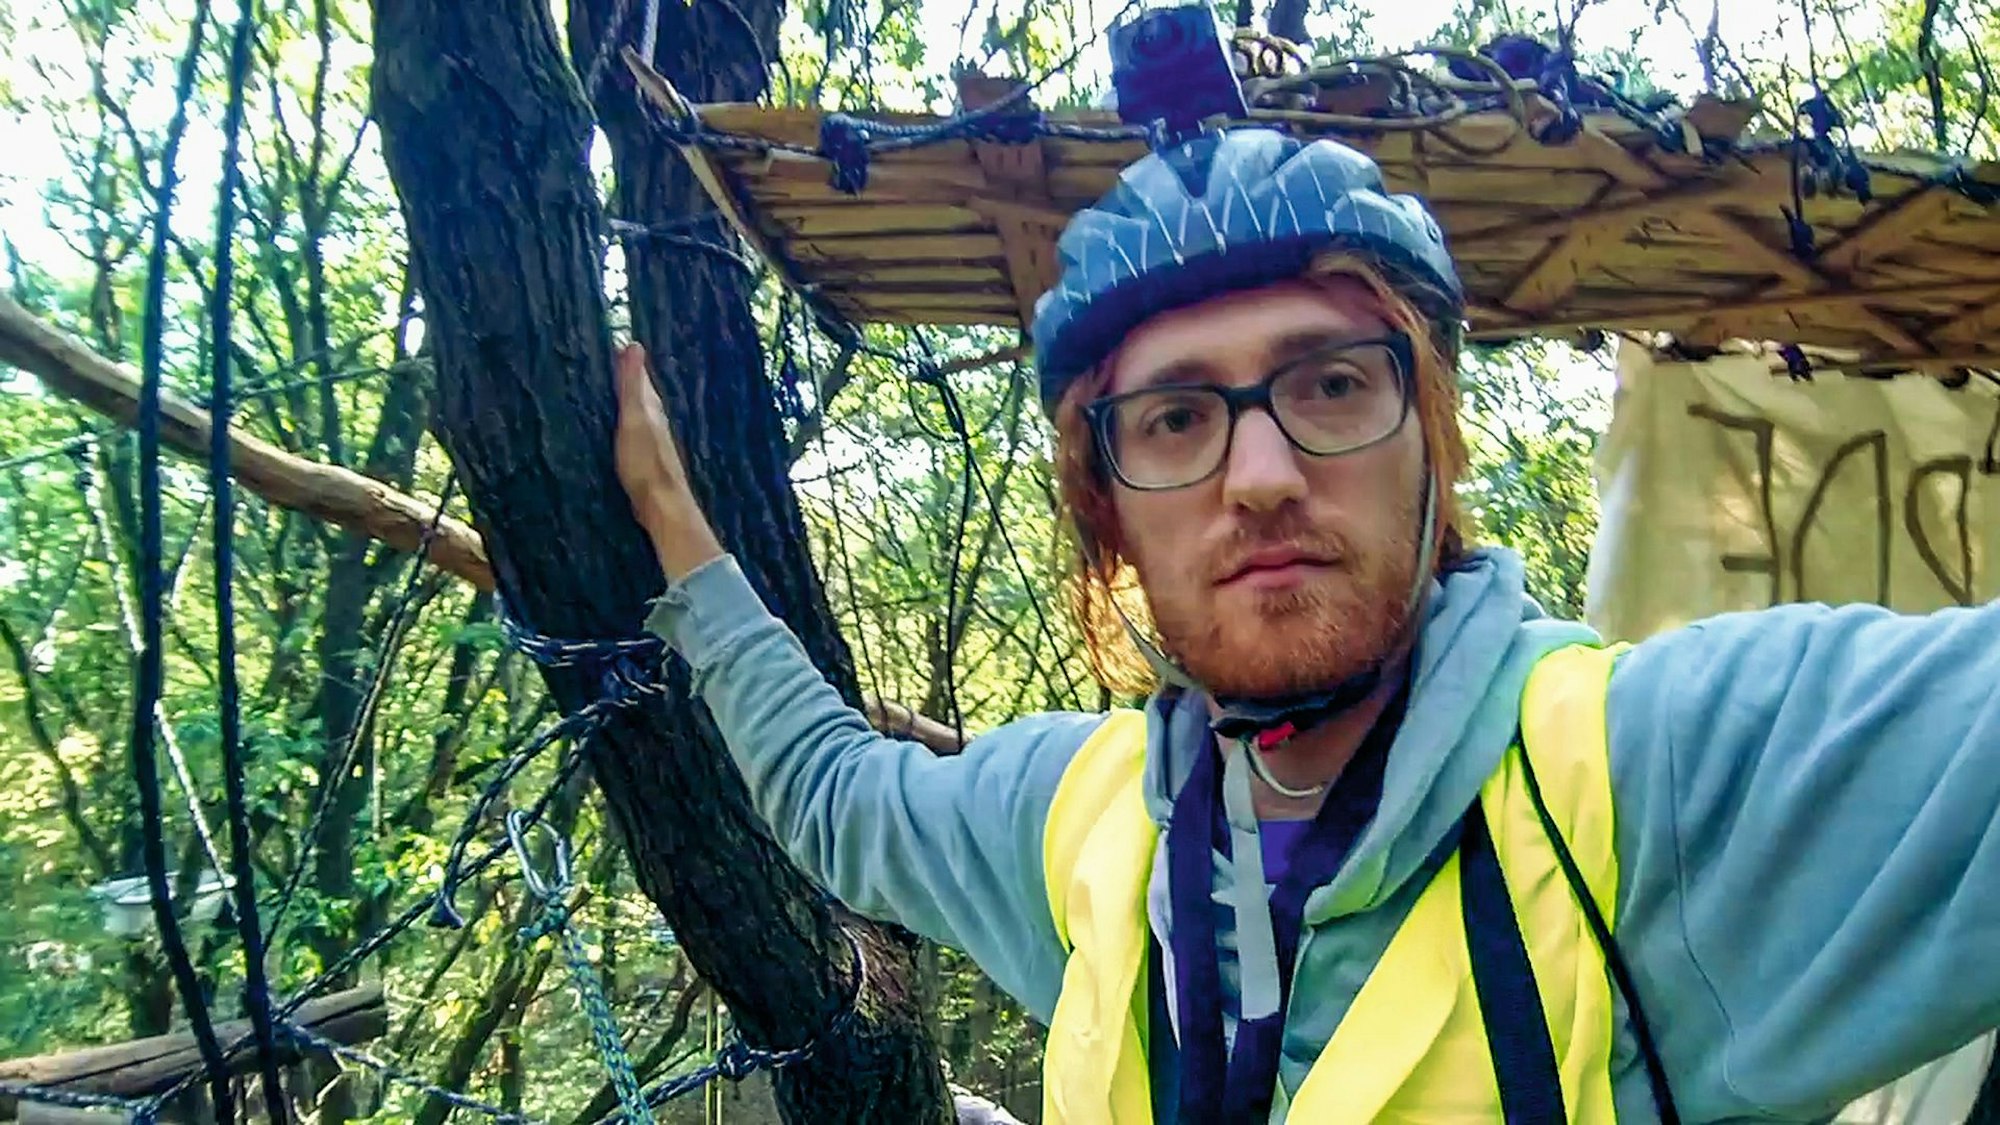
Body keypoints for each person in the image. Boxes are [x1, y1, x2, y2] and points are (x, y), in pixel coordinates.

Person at [610, 126, 2000, 1123]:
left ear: (1430, 440)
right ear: (1109, 513)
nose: (1261, 474)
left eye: (1330, 385)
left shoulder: (1647, 777)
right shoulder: (1084, 826)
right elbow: (840, 797)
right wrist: (684, 541)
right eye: (1175, 418)